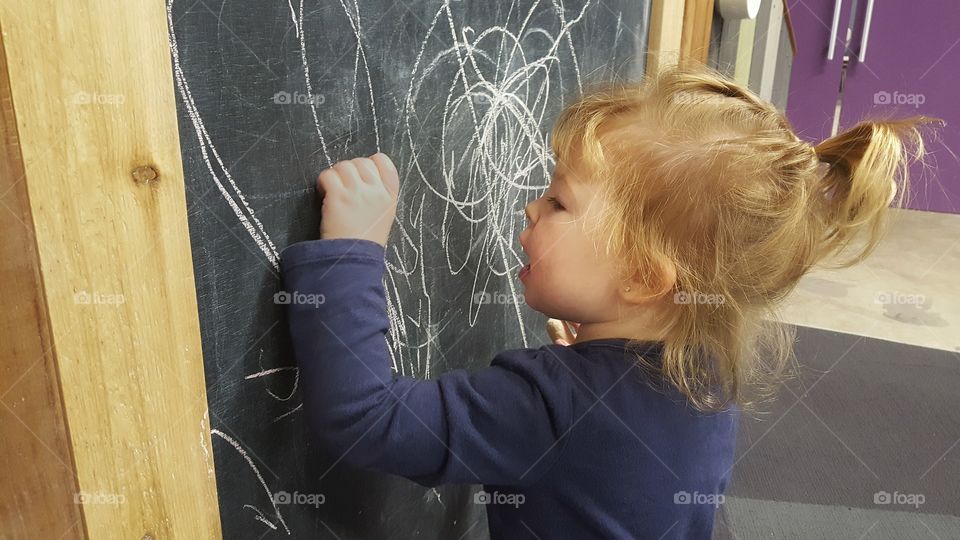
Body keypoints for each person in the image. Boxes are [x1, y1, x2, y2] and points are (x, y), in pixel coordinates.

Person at [279, 64, 940, 539]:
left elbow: (364, 419)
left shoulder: (549, 406)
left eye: (560, 201)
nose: (532, 205)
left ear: (644, 279)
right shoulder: (705, 373)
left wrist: (352, 251)